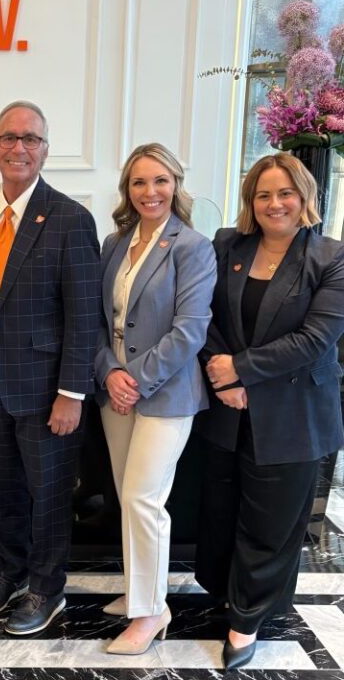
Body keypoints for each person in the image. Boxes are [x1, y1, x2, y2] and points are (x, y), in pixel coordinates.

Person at [194, 152, 344, 670]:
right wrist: (221, 375)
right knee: (221, 511)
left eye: (285, 193)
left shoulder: (331, 257)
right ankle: (227, 596)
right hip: (227, 408)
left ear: (305, 198)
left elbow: (316, 340)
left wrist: (239, 369)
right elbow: (201, 312)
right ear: (250, 201)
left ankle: (246, 620)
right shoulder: (225, 245)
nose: (274, 203)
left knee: (270, 522)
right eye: (263, 194)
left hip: (292, 415)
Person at [0, 101, 101, 635]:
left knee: (47, 496)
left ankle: (47, 587)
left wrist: (72, 392)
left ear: (45, 149)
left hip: (49, 391)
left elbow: (83, 312)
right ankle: (12, 573)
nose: (18, 148)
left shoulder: (70, 217)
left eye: (31, 139)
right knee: (1, 492)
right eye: (8, 138)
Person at [94, 143, 216, 654]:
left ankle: (150, 611)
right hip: (115, 389)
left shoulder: (192, 246)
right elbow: (96, 322)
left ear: (176, 185)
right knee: (130, 497)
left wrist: (134, 379)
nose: (151, 192)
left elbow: (191, 331)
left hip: (166, 393)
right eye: (140, 182)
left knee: (145, 499)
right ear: (128, 190)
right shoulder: (113, 244)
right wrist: (109, 373)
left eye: (160, 180)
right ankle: (138, 590)